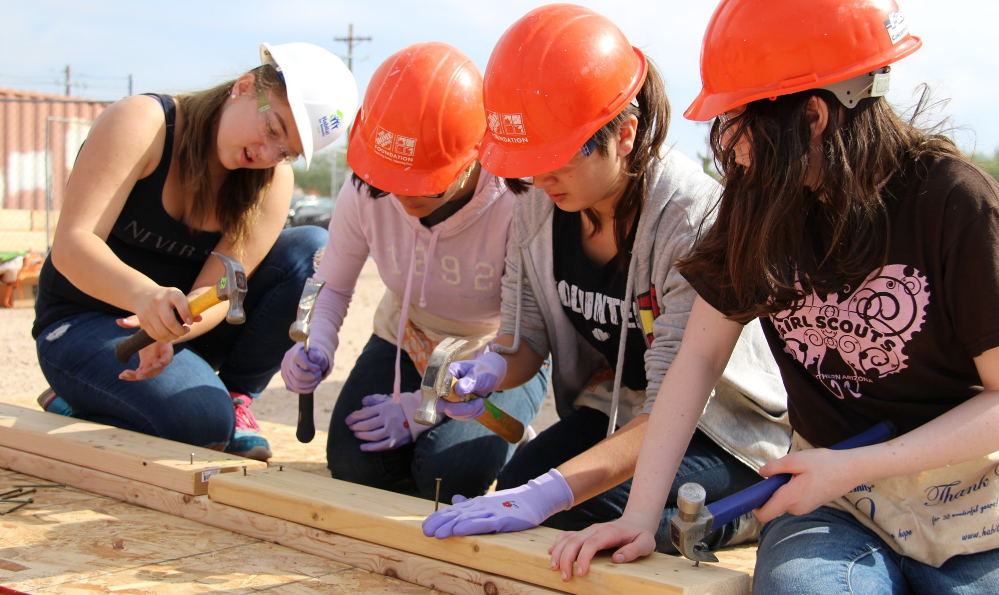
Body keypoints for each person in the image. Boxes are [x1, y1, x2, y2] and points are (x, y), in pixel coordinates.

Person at [549, 0, 999, 592]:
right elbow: (699, 358)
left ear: (812, 117)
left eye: (738, 122)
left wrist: (851, 466)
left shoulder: (954, 205)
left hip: (965, 505)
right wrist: (637, 516)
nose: (728, 145)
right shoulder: (756, 203)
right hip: (835, 507)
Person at [420, 4, 790, 555]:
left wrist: (551, 495)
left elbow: (674, 401)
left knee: (576, 513)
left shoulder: (691, 219)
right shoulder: (538, 205)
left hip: (716, 431)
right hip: (612, 413)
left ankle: (745, 512)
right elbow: (527, 341)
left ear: (625, 134)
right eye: (528, 160)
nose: (541, 177)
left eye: (558, 158)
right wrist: (492, 368)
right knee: (517, 490)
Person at [33, 42, 358, 462]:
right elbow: (73, 246)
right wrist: (145, 299)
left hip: (171, 332)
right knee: (200, 424)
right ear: (244, 87)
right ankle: (78, 397)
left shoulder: (271, 181)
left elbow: (222, 290)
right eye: (273, 129)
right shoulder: (144, 124)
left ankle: (237, 397)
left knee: (310, 248)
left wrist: (173, 326)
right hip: (85, 323)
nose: (267, 155)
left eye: (286, 151)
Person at [280, 42, 549, 502]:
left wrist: (424, 409)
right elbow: (334, 286)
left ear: (475, 156)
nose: (402, 196)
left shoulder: (518, 202)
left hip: (493, 356)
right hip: (406, 337)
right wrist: (317, 346)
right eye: (390, 179)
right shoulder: (364, 190)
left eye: (422, 182)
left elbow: (520, 328)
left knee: (450, 474)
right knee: (352, 464)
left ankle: (486, 443)